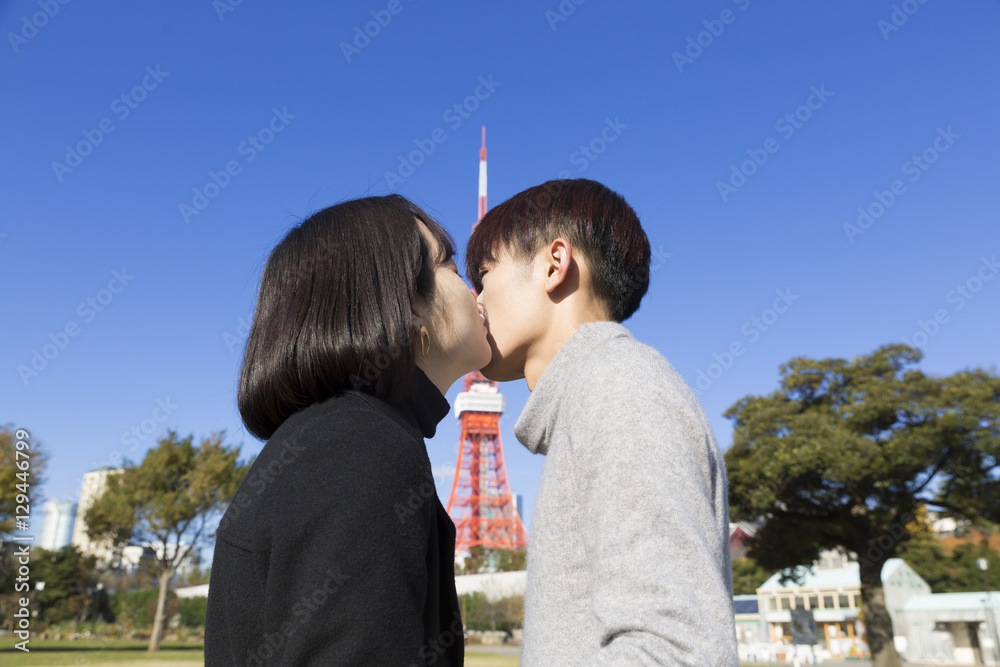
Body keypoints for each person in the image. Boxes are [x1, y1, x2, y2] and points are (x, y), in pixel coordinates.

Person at [205, 195, 490, 666]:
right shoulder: (358, 447)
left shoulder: (335, 437)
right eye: (452, 268)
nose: (475, 292)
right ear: (407, 304)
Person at [465, 178, 739, 666]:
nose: (475, 299)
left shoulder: (620, 386)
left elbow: (676, 649)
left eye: (484, 274)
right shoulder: (597, 393)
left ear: (555, 264)